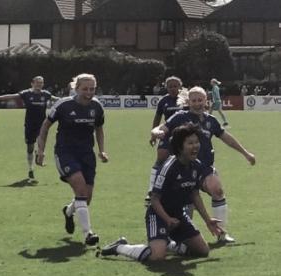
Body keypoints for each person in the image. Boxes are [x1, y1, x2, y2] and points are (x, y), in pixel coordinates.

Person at [100, 123, 224, 261]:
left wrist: (207, 220)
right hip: (158, 215)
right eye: (190, 143)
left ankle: (170, 245)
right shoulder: (168, 167)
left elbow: (194, 194)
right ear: (179, 147)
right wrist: (167, 219)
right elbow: (154, 199)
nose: (195, 146)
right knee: (157, 257)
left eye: (196, 142)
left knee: (202, 251)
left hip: (178, 215)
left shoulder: (196, 165)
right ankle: (120, 247)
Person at [152, 86, 256, 243]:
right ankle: (179, 239)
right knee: (186, 206)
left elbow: (227, 138)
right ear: (188, 102)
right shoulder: (180, 117)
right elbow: (161, 128)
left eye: (200, 100)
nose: (197, 103)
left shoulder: (211, 121)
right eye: (193, 100)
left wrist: (246, 153)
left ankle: (222, 234)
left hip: (204, 168)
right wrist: (156, 132)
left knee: (217, 190)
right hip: (183, 168)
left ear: (206, 101)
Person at [36, 73, 109, 245]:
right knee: (81, 191)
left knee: (86, 198)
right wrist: (41, 151)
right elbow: (45, 126)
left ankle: (69, 211)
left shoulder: (97, 107)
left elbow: (99, 129)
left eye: (92, 89)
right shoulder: (63, 105)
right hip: (65, 153)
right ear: (76, 88)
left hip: (87, 155)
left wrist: (102, 151)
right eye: (85, 89)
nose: (89, 92)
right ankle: (87, 234)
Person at [0, 76, 58, 180]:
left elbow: (57, 99)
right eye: (37, 83)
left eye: (41, 83)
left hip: (42, 124)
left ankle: (39, 153)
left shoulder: (46, 94)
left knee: (41, 141)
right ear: (32, 83)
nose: (39, 85)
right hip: (29, 124)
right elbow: (11, 96)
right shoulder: (26, 93)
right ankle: (30, 168)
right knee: (30, 147)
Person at [146, 76, 185, 196]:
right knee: (161, 159)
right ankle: (152, 189)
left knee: (183, 162)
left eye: (175, 86)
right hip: (167, 134)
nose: (173, 88)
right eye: (170, 86)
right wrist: (153, 135)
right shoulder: (163, 101)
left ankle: (184, 189)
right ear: (166, 87)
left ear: (180, 86)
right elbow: (157, 118)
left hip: (184, 136)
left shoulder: (184, 100)